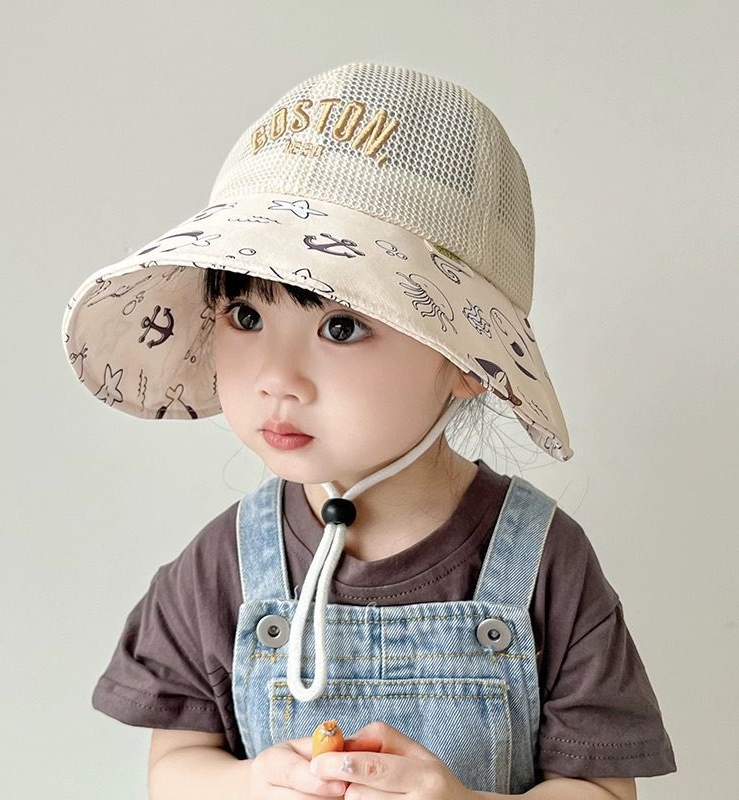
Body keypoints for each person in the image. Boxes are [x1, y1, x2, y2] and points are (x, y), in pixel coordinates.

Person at [61, 62, 676, 799]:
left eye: (341, 327)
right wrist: (253, 784)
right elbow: (174, 770)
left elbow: (604, 792)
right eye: (247, 316)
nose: (277, 378)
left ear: (466, 359)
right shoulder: (224, 568)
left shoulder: (545, 564)